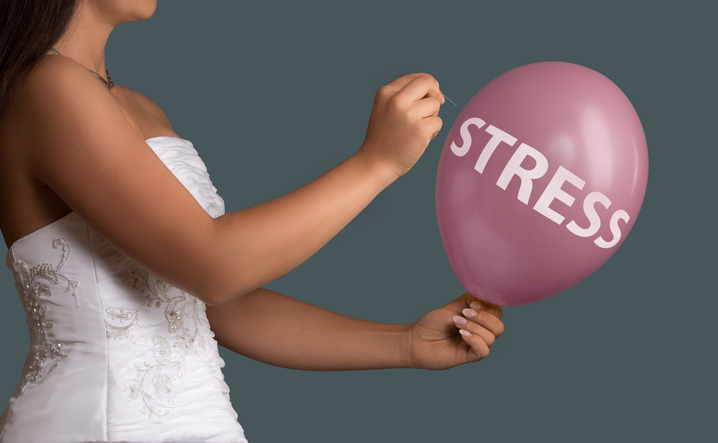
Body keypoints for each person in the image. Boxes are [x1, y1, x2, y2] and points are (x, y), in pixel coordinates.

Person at [0, 0, 505, 441]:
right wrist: (376, 164)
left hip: (204, 421)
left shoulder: (136, 106)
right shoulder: (47, 87)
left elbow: (220, 306)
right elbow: (213, 267)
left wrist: (406, 344)